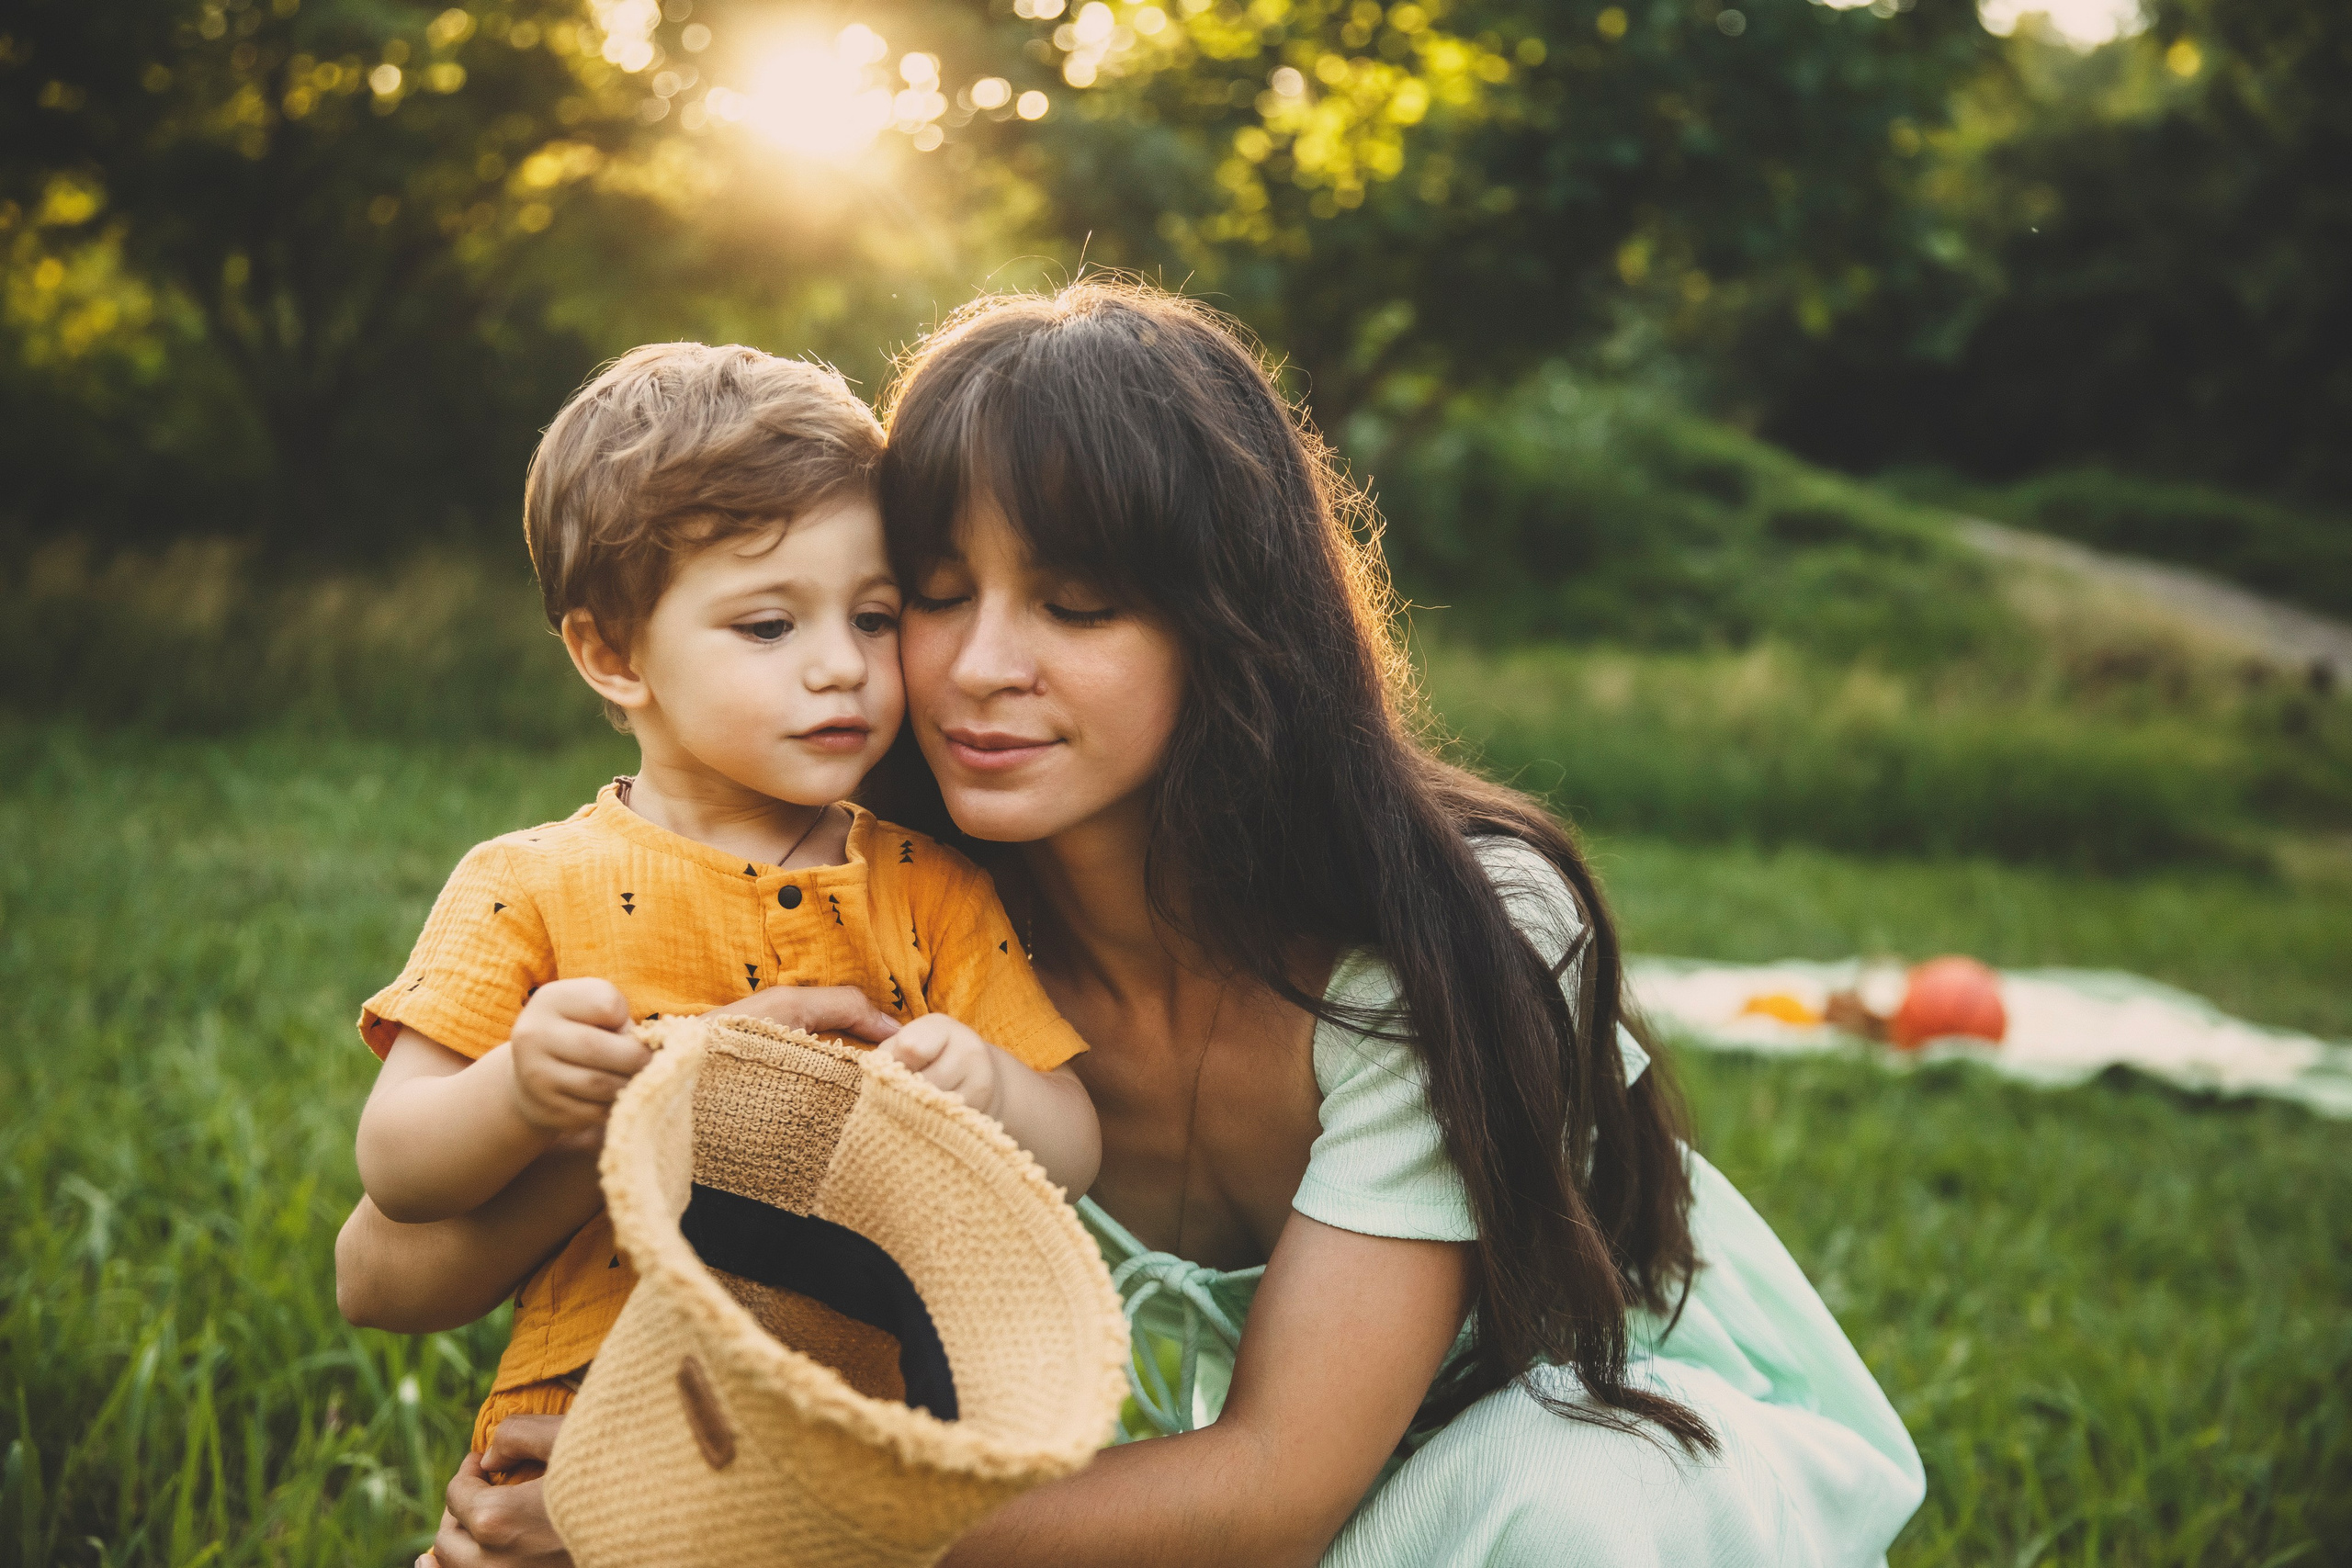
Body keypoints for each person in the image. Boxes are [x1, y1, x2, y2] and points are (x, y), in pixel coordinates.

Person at [341, 280, 1925, 1566]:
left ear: (1230, 628)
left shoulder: (1455, 933)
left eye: (1078, 605)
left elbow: (1276, 1492)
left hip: (1502, 1482)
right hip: (1121, 1510)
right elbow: (382, 1253)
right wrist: (675, 1095)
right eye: (935, 592)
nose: (970, 670)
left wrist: (732, 1528)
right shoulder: (899, 895)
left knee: (1585, 1506)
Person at [349, 341, 1100, 1474]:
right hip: (593, 1420)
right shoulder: (528, 884)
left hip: (858, 1426)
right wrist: (518, 1091)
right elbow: (397, 1167)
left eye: (875, 617)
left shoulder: (930, 887)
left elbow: (1074, 1144)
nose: (840, 666)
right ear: (612, 654)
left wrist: (990, 1085)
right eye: (769, 626)